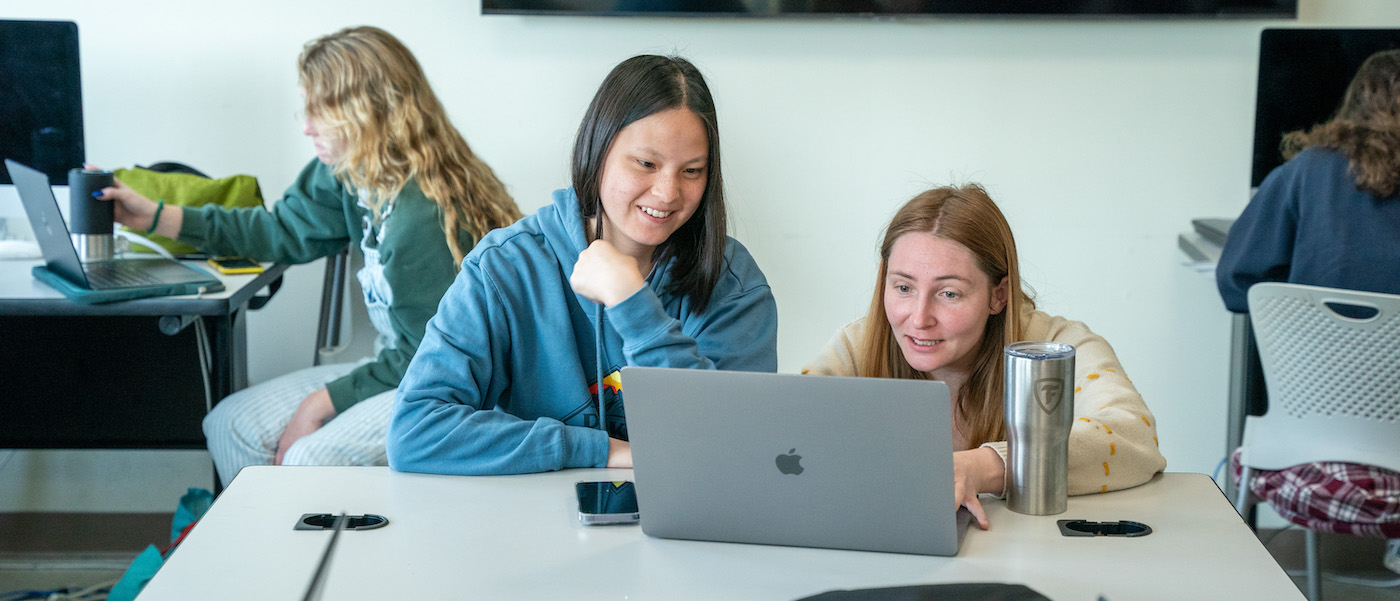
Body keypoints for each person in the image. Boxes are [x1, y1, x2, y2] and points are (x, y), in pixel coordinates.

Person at [99, 26, 522, 486]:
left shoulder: (423, 216)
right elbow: (279, 229)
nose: (306, 126)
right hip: (401, 363)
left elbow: (433, 357)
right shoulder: (350, 172)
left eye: (321, 110)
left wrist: (322, 402)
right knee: (228, 425)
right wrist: (153, 217)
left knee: (309, 459)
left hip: (450, 388)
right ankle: (268, 557)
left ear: (368, 111)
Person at [387, 55, 778, 476]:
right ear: (598, 151)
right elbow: (416, 432)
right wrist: (599, 450)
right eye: (646, 164)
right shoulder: (505, 267)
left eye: (692, 170)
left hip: (691, 523)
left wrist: (631, 301)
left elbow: (735, 444)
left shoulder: (733, 283)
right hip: (537, 524)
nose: (667, 192)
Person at [803, 184, 1165, 529]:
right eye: (903, 287)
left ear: (999, 295)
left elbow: (1133, 436)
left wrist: (986, 465)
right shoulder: (859, 344)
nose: (918, 319)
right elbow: (786, 431)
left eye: (949, 293)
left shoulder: (1059, 344)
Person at [1217, 49, 1400, 573]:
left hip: (1305, 440)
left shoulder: (1305, 173)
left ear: (1354, 106)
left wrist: (1300, 306)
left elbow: (1236, 284)